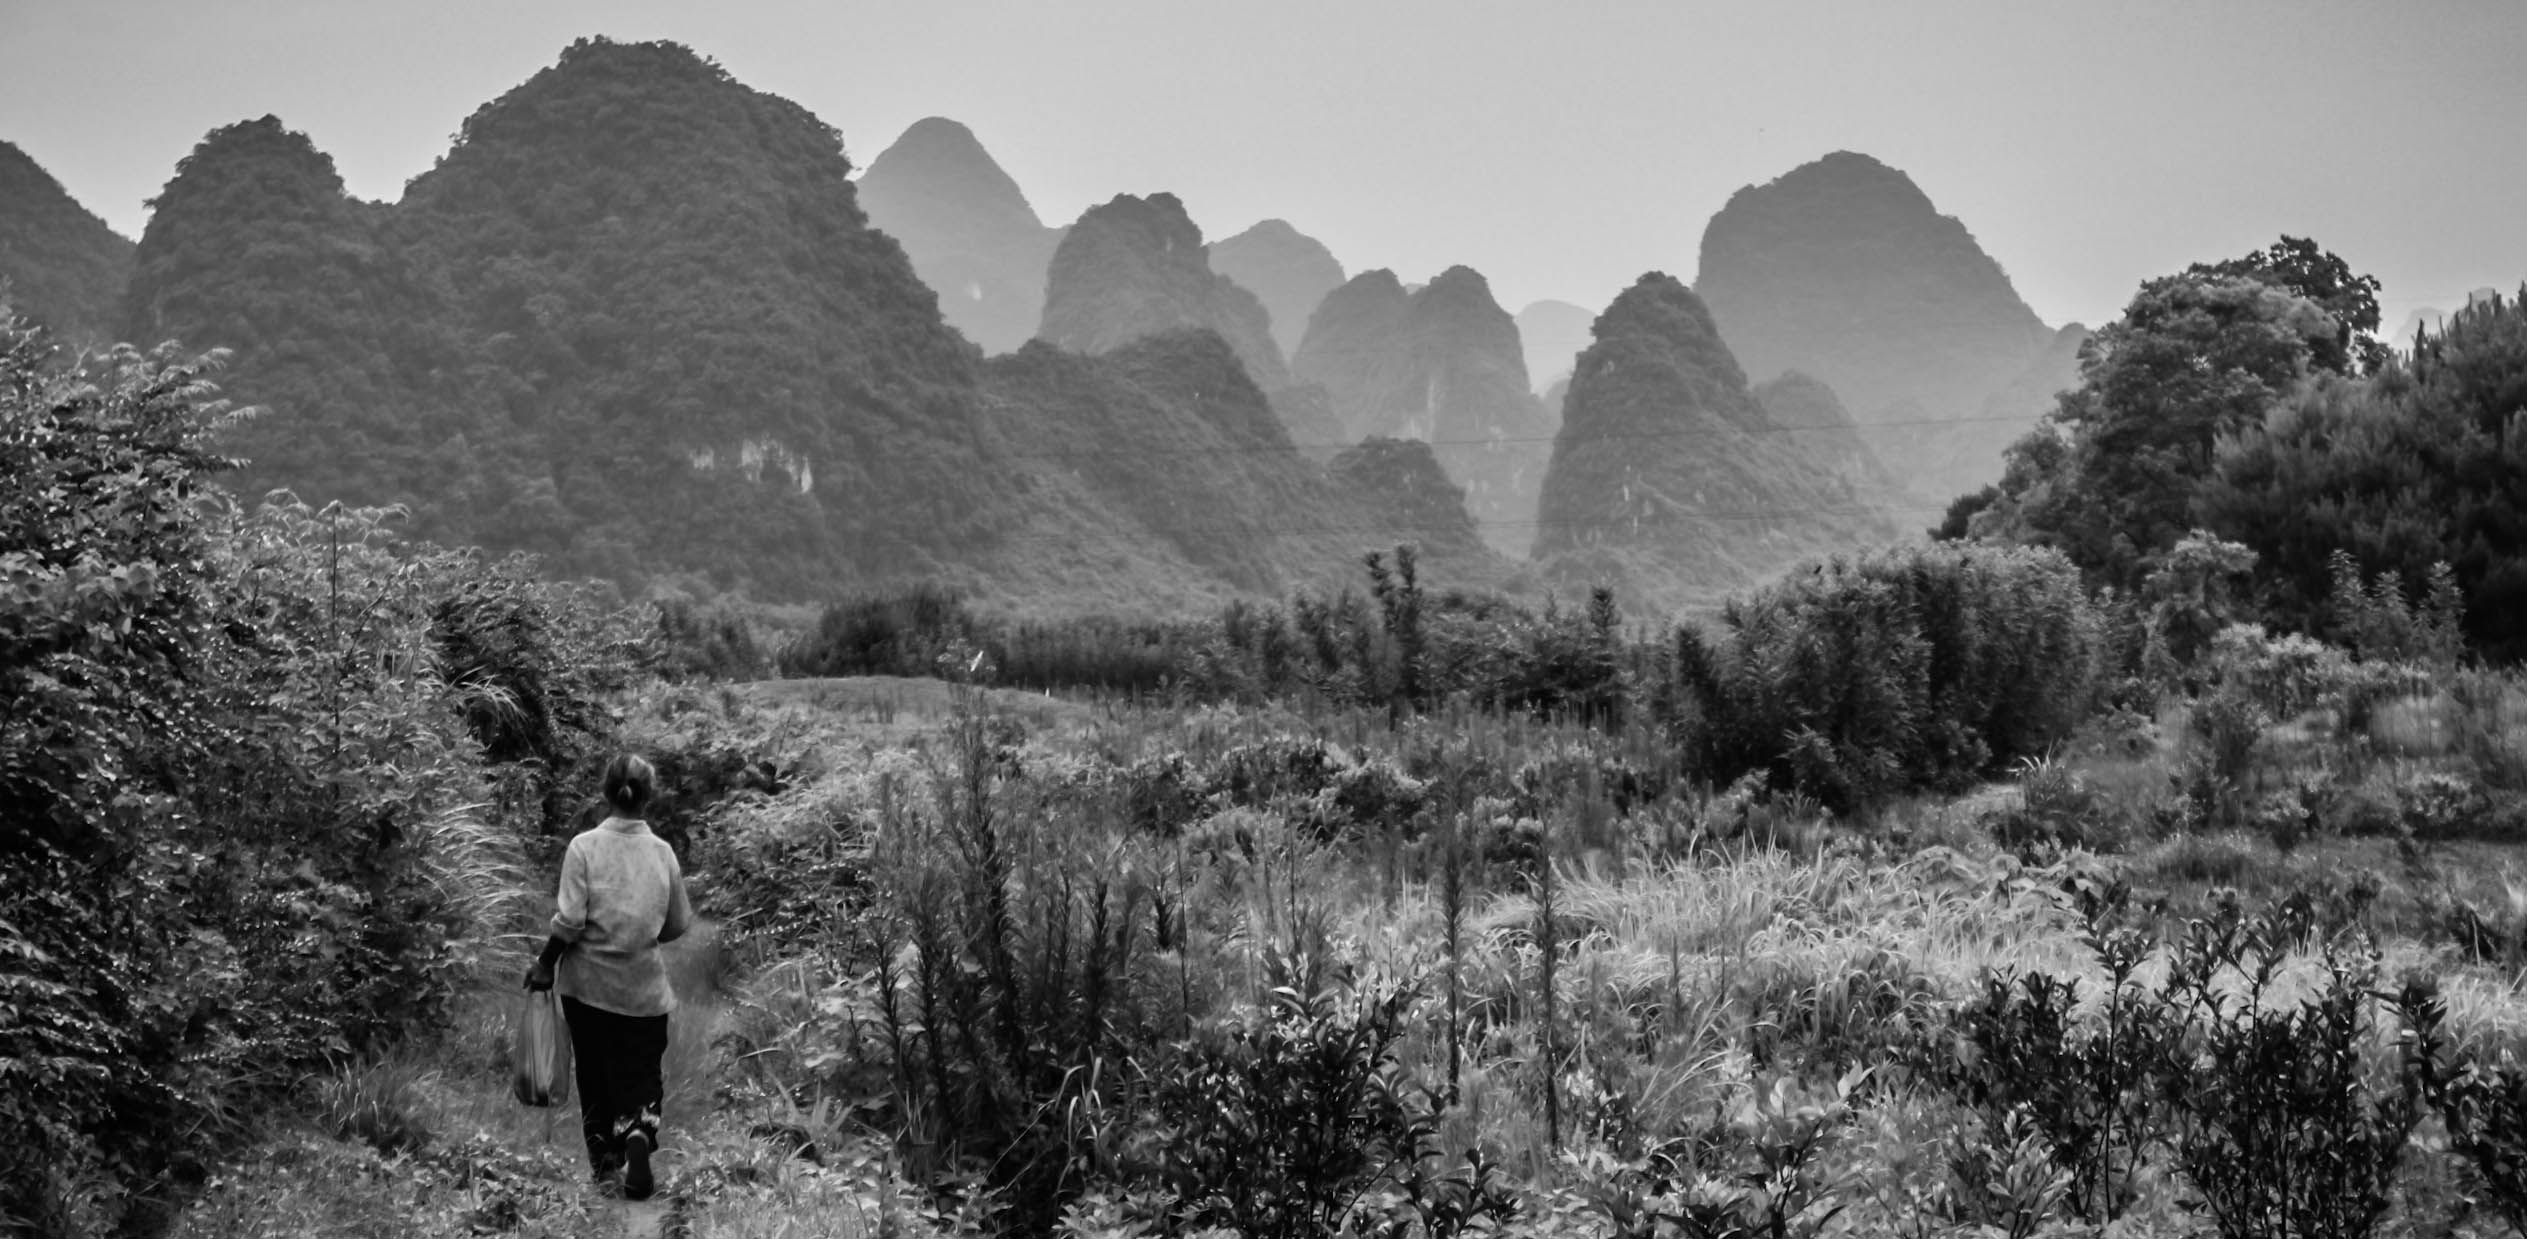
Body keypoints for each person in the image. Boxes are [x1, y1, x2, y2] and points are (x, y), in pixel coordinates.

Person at [525, 754, 693, 1200]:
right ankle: (638, 1130)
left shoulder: (583, 847)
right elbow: (677, 924)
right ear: (648, 796)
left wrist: (545, 963)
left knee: (595, 1076)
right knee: (642, 1072)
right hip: (644, 990)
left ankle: (604, 1169)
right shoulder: (663, 853)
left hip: (588, 988)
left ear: (606, 793)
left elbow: (570, 921)